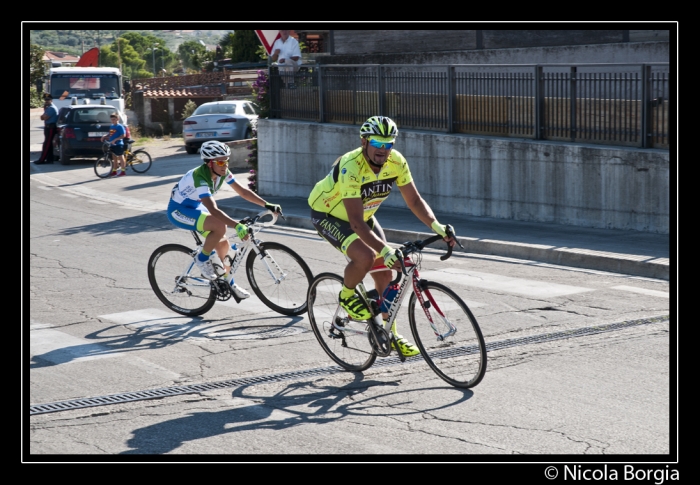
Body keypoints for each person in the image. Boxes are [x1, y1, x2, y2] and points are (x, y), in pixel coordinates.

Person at [308, 116, 457, 356]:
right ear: (364, 141)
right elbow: (355, 222)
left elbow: (415, 200)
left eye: (389, 144)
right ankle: (347, 295)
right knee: (366, 257)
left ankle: (391, 334)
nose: (383, 149)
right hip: (329, 215)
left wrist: (437, 227)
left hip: (364, 216)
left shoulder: (396, 162)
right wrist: (385, 250)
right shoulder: (351, 166)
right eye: (378, 142)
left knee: (386, 273)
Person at [167, 140, 283, 297]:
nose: (225, 165)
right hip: (179, 210)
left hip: (195, 207)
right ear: (209, 164)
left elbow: (243, 192)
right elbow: (213, 209)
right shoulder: (200, 177)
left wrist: (267, 204)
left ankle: (230, 283)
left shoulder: (222, 172)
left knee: (224, 245)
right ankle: (202, 259)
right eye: (220, 161)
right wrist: (237, 226)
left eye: (226, 160)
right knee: (220, 225)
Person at [34, 94, 58, 164]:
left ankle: (42, 160)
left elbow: (44, 117)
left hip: (51, 127)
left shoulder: (52, 108)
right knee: (49, 144)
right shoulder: (48, 107)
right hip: (48, 127)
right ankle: (49, 159)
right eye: (45, 100)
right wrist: (43, 116)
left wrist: (42, 116)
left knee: (46, 144)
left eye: (48, 100)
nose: (46, 101)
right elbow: (42, 117)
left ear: (51, 100)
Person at [100, 112, 127, 177]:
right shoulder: (112, 126)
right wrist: (105, 136)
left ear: (118, 119)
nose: (113, 121)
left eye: (114, 119)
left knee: (120, 156)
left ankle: (123, 171)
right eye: (112, 119)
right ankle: (114, 171)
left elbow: (123, 135)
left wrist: (116, 139)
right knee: (114, 158)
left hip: (118, 144)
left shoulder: (119, 126)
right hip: (112, 144)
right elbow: (111, 134)